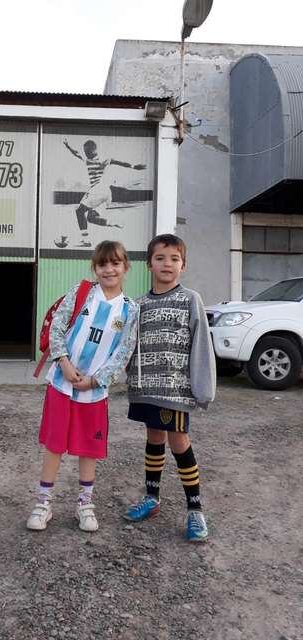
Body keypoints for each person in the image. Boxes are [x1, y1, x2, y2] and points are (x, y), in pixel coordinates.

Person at [27, 240, 138, 532]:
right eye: (103, 264)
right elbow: (58, 327)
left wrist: (96, 380)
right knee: (55, 444)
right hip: (61, 385)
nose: (109, 269)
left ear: (126, 267)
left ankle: (85, 504)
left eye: (115, 263)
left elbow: (123, 352)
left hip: (94, 392)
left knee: (88, 448)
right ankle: (43, 503)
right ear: (95, 267)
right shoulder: (81, 293)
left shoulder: (130, 310)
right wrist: (63, 361)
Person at [124, 234, 216, 542]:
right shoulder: (137, 305)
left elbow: (201, 345)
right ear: (149, 263)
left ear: (183, 265)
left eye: (174, 259)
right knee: (153, 437)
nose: (167, 264)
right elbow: (127, 347)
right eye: (160, 258)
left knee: (179, 442)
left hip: (175, 390)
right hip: (145, 388)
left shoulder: (190, 299)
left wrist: (203, 389)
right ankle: (151, 499)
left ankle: (195, 510)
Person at [63, 138, 146, 247]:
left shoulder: (101, 159)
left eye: (88, 151)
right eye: (85, 152)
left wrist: (133, 166)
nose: (86, 154)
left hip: (98, 189)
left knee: (79, 211)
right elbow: (77, 153)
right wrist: (68, 146)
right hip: (105, 192)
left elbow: (118, 162)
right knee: (91, 218)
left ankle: (85, 240)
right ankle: (115, 222)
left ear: (94, 150)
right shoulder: (90, 159)